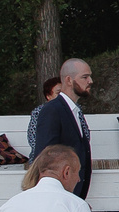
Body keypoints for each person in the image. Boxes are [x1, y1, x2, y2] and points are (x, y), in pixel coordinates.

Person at [30, 57, 95, 198]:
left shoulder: (75, 111)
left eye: (89, 76)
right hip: (58, 196)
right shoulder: (52, 110)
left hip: (73, 193)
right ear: (68, 80)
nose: (90, 81)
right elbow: (44, 156)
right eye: (85, 77)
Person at [23, 76, 60, 160]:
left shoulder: (73, 110)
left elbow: (84, 135)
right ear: (48, 96)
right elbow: (33, 139)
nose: (62, 96)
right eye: (58, 93)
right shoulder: (39, 112)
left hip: (68, 156)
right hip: (43, 157)